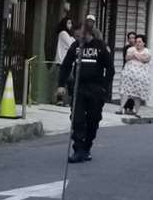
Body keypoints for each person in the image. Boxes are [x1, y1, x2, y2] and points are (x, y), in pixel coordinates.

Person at [57, 23, 115, 163]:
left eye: (80, 36)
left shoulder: (100, 46)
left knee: (93, 120)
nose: (78, 39)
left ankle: (87, 147)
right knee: (77, 119)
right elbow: (66, 65)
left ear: (88, 33)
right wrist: (61, 85)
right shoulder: (75, 46)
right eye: (76, 36)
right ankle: (78, 149)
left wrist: (104, 88)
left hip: (96, 89)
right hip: (79, 88)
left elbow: (110, 69)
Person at [119, 35, 151, 117]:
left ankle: (137, 111)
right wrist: (137, 56)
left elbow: (145, 60)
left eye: (140, 42)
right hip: (129, 75)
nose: (138, 43)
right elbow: (127, 58)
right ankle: (120, 109)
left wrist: (136, 55)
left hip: (140, 77)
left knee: (137, 95)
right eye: (136, 42)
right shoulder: (130, 49)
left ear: (144, 43)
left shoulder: (147, 51)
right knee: (125, 91)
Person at [54, 18, 76, 105]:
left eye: (71, 23)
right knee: (65, 80)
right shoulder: (63, 33)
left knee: (65, 80)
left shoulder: (68, 34)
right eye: (68, 23)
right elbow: (71, 44)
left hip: (67, 61)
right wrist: (73, 40)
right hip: (63, 60)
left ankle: (65, 99)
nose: (70, 25)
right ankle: (62, 99)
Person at [116, 32, 137, 115]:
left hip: (136, 71)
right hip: (127, 70)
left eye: (133, 38)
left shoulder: (139, 48)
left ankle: (131, 108)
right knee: (125, 89)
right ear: (128, 39)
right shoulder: (126, 48)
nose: (132, 40)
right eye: (130, 38)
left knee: (133, 90)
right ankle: (124, 107)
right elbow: (127, 58)